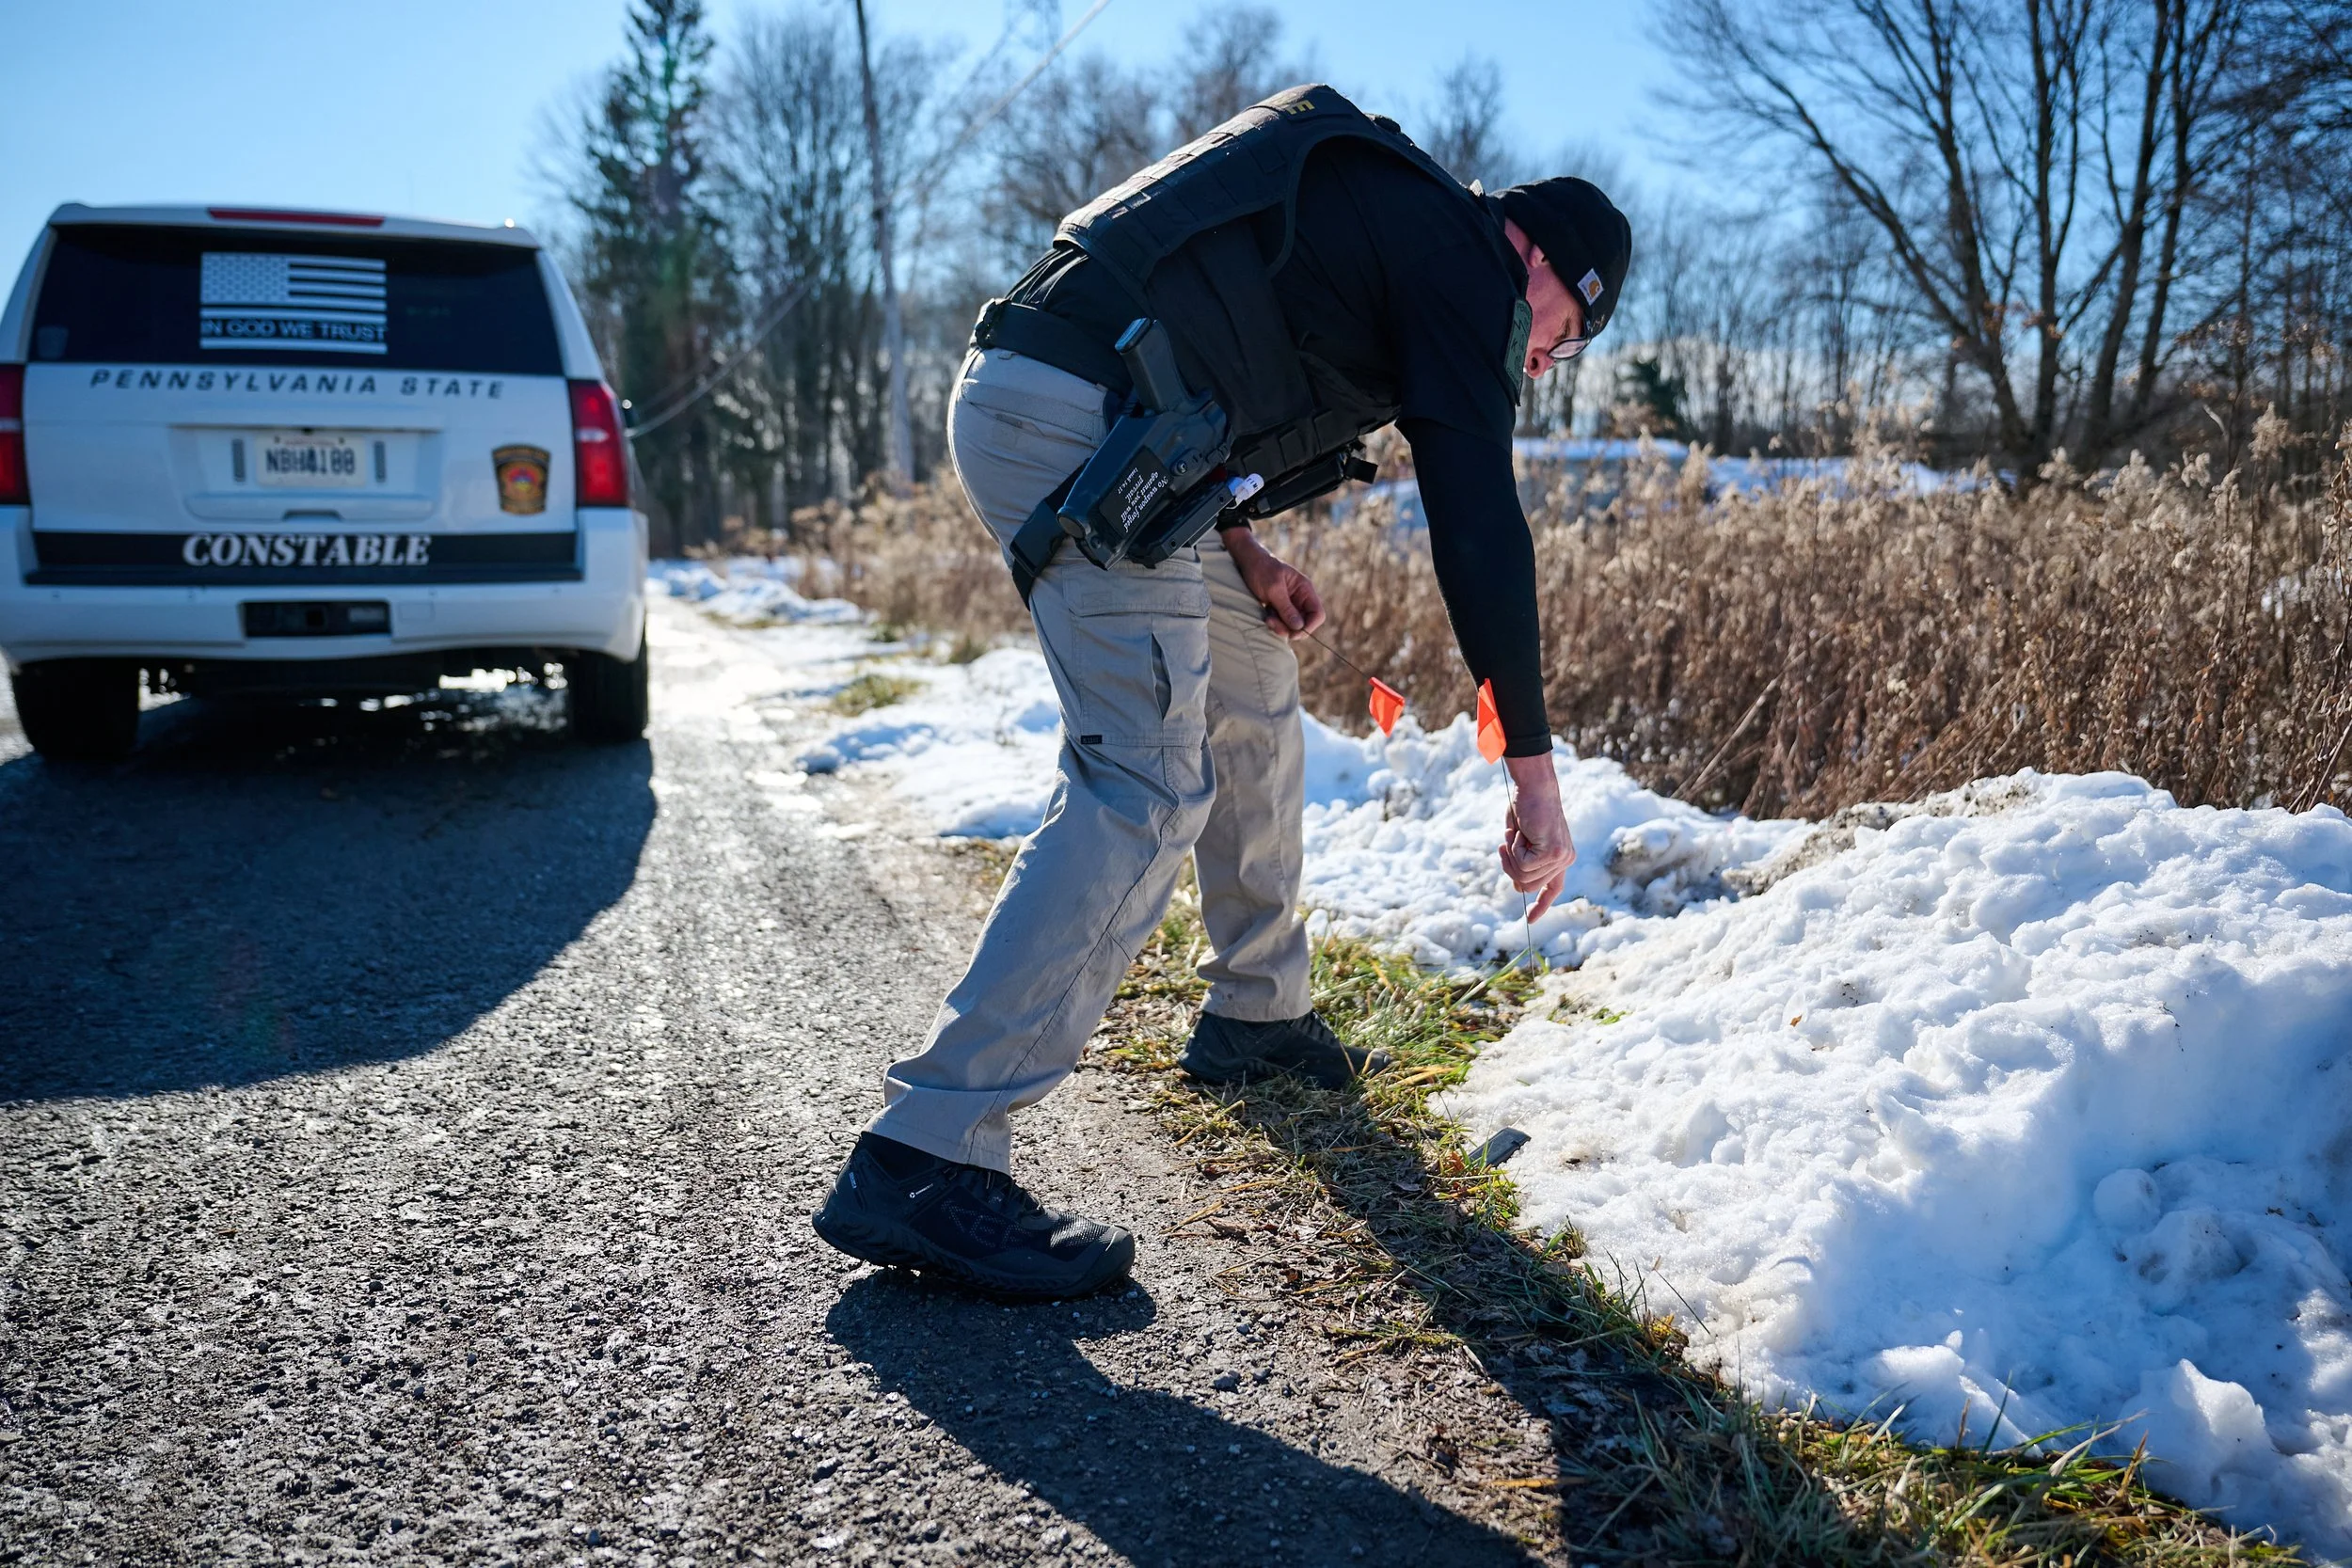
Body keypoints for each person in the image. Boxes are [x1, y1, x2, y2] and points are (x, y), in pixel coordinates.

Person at [814, 84, 1631, 1300]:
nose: (1553, 356)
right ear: (1541, 260)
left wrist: (1245, 549)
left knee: (1251, 664)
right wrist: (1536, 775)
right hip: (1076, 419)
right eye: (1570, 329)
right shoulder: (1467, 261)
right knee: (1144, 781)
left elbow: (1221, 326)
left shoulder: (1401, 223)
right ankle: (927, 1151)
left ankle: (1258, 1010)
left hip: (1116, 420)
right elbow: (1479, 519)